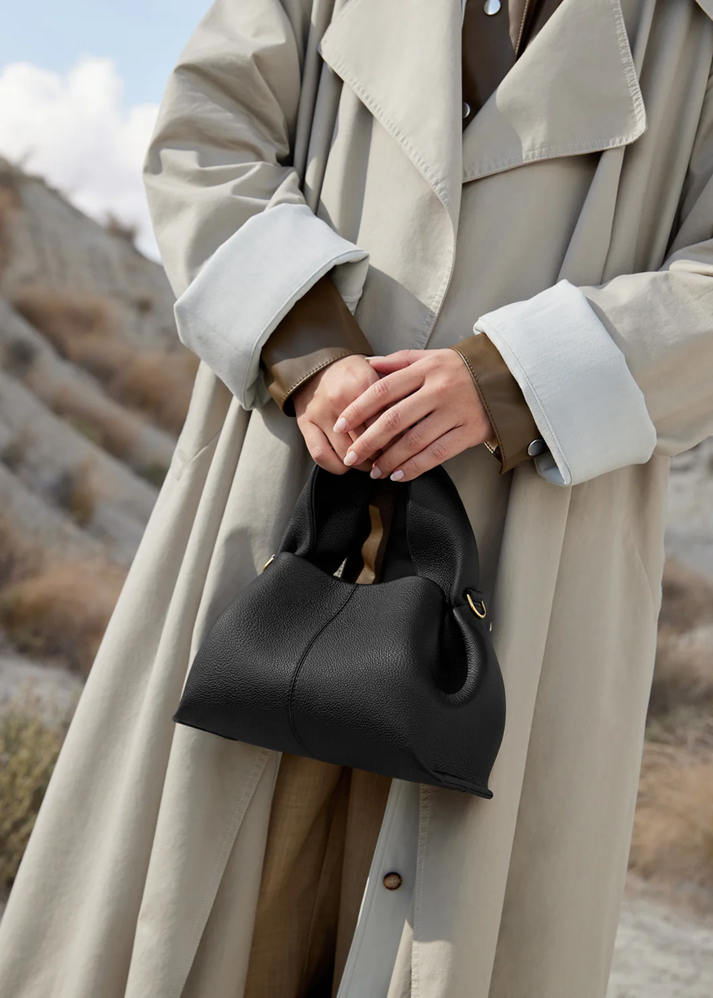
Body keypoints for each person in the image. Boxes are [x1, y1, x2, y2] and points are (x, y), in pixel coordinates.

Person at [1, 1, 713, 996]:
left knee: (448, 914)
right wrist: (308, 349)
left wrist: (514, 379)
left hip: (542, 540)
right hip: (284, 478)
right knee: (203, 892)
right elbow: (207, 132)